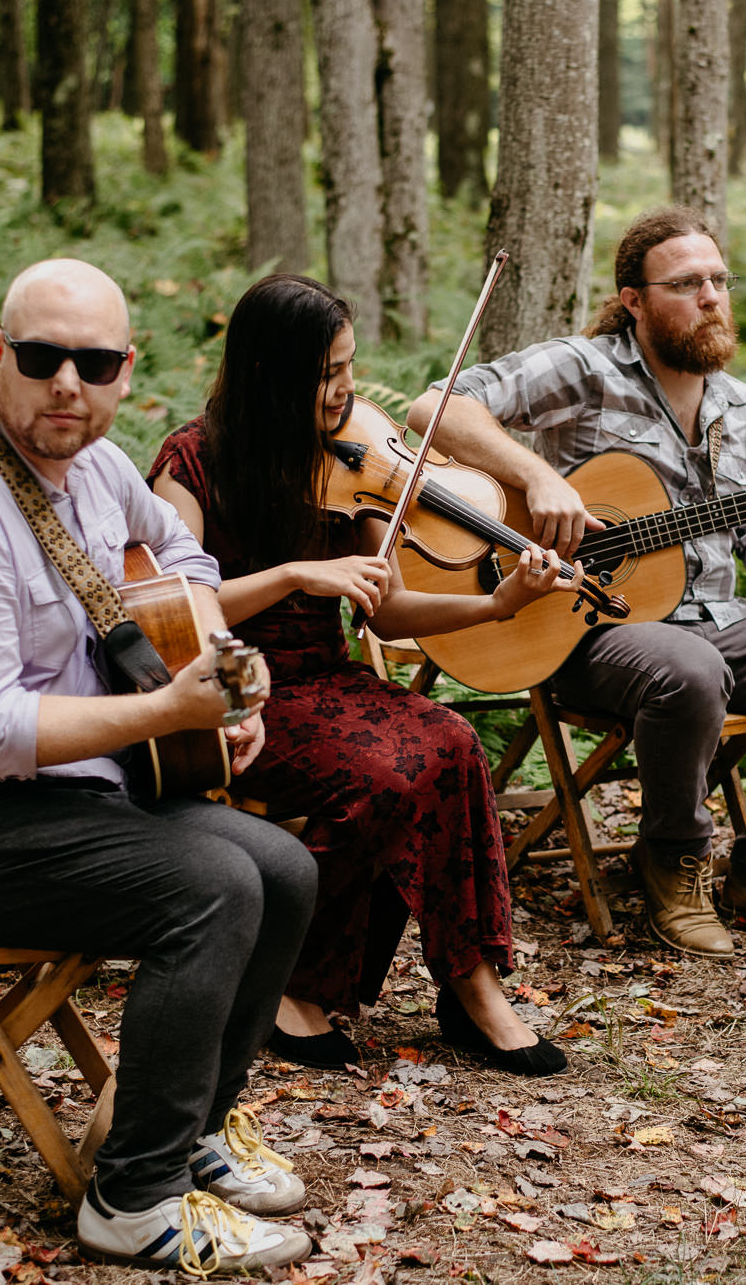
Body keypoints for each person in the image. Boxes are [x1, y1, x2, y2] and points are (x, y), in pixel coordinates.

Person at [0, 259, 316, 1275]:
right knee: (215, 887)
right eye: (43, 357)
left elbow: (183, 556)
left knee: (283, 868)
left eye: (93, 363)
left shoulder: (92, 464)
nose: (67, 384)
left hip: (51, 793)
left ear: (126, 372)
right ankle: (133, 1201)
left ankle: (192, 1134)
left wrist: (221, 668)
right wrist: (165, 708)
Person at [403, 206, 746, 960]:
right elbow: (432, 407)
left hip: (722, 617)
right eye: (686, 284)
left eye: (718, 281)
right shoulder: (587, 369)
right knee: (691, 670)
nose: (711, 297)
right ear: (635, 299)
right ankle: (673, 860)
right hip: (590, 623)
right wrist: (538, 476)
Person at [149, 273, 574, 1077]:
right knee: (387, 776)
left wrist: (501, 604)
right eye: (326, 374)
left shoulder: (351, 457)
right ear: (270, 373)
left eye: (348, 365)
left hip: (328, 677)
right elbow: (174, 608)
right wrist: (293, 577)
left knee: (451, 740)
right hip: (236, 686)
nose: (346, 389)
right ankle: (294, 980)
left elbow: (390, 611)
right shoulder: (193, 461)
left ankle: (470, 981)